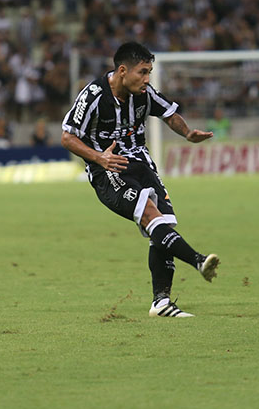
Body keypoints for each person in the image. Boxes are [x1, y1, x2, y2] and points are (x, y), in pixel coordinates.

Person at [61, 41, 219, 318]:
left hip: (142, 165)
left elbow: (169, 114)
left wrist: (187, 133)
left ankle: (161, 302)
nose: (147, 79)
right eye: (142, 72)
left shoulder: (144, 94)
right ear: (123, 71)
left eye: (149, 73)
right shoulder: (94, 95)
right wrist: (99, 158)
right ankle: (198, 261)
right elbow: (67, 137)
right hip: (108, 169)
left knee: (163, 225)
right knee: (149, 214)